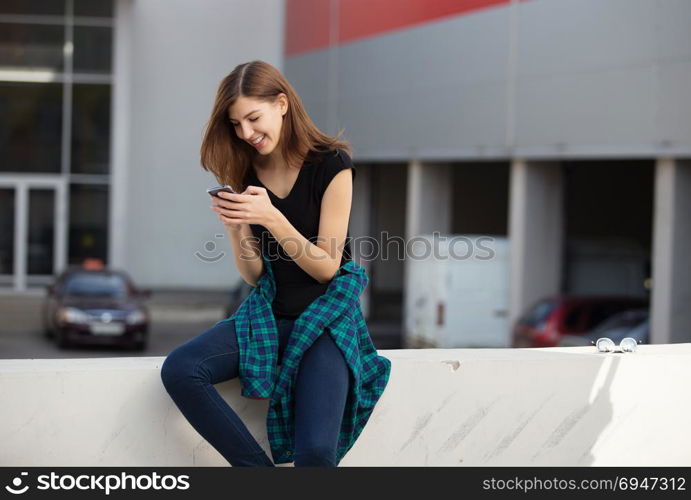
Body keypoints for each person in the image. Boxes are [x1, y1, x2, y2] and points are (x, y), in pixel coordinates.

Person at [160, 60, 390, 467]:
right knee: (182, 370)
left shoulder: (332, 165)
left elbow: (326, 266)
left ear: (282, 104)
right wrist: (235, 226)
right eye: (236, 124)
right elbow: (254, 274)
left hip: (325, 321)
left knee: (317, 451)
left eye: (253, 117)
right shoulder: (245, 169)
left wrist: (270, 216)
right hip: (268, 315)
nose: (246, 133)